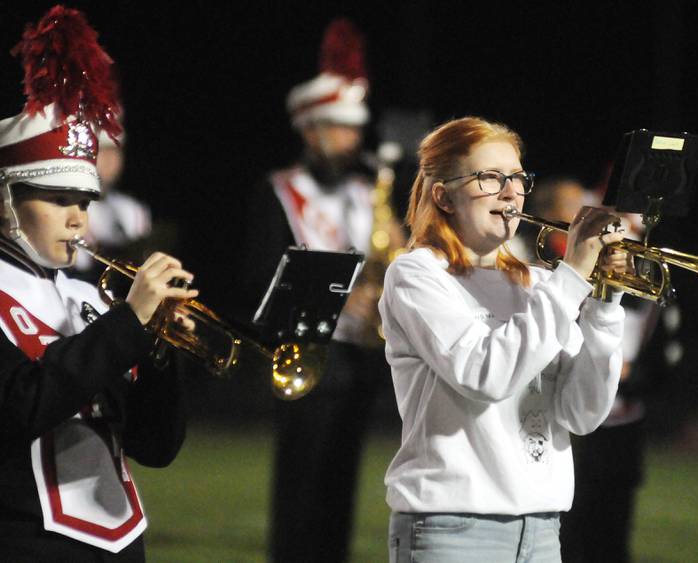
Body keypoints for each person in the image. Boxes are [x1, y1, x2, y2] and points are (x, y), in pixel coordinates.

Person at [380, 116, 630, 563]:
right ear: (444, 196)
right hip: (451, 528)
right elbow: (484, 375)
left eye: (517, 178)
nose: (512, 192)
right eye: (490, 178)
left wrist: (605, 306)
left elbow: (581, 412)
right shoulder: (417, 274)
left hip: (542, 528)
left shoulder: (539, 283)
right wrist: (572, 276)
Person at [0, 6, 196, 560]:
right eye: (58, 200)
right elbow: (22, 407)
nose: (78, 219)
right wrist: (128, 324)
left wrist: (158, 349)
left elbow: (154, 447)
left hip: (119, 541)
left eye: (83, 202)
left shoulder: (91, 298)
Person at [242, 19, 402, 563]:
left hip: (359, 359)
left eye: (354, 129)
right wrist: (339, 299)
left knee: (341, 490)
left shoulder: (366, 192)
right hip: (306, 353)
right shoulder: (279, 192)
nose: (352, 140)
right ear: (309, 129)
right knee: (301, 490)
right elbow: (263, 278)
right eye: (339, 128)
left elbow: (387, 260)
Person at [536, 175, 681, 563]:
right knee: (572, 529)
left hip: (620, 417)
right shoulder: (544, 263)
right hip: (564, 417)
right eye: (572, 205)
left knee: (612, 529)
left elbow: (652, 339)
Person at [70, 128, 153, 282]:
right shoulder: (68, 205)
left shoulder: (133, 209)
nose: (111, 160)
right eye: (103, 151)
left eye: (116, 151)